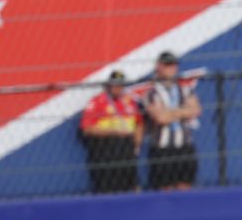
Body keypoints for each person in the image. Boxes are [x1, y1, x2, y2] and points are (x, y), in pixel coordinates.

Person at [142, 50, 201, 190]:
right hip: (162, 148)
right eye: (167, 65)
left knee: (185, 185)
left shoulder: (185, 89)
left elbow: (196, 110)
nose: (171, 69)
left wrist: (169, 112)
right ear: (159, 67)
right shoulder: (151, 92)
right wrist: (183, 111)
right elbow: (160, 118)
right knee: (164, 189)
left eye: (174, 65)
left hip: (184, 146)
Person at [80, 68, 143, 193]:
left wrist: (137, 144)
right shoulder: (98, 101)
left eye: (120, 85)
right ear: (109, 85)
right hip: (105, 152)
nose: (117, 88)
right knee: (107, 190)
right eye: (114, 84)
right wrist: (113, 131)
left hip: (127, 153)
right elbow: (87, 129)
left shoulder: (129, 102)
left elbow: (139, 123)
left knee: (132, 188)